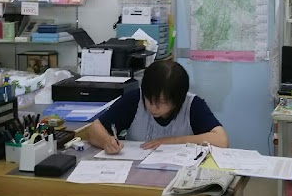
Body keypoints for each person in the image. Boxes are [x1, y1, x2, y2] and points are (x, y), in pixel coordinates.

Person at [88, 61, 229, 154]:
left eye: (162, 102)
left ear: (178, 99)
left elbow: (221, 140)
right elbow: (95, 129)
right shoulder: (135, 99)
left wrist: (170, 142)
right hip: (137, 172)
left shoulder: (192, 105)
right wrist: (107, 141)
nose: (153, 108)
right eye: (149, 99)